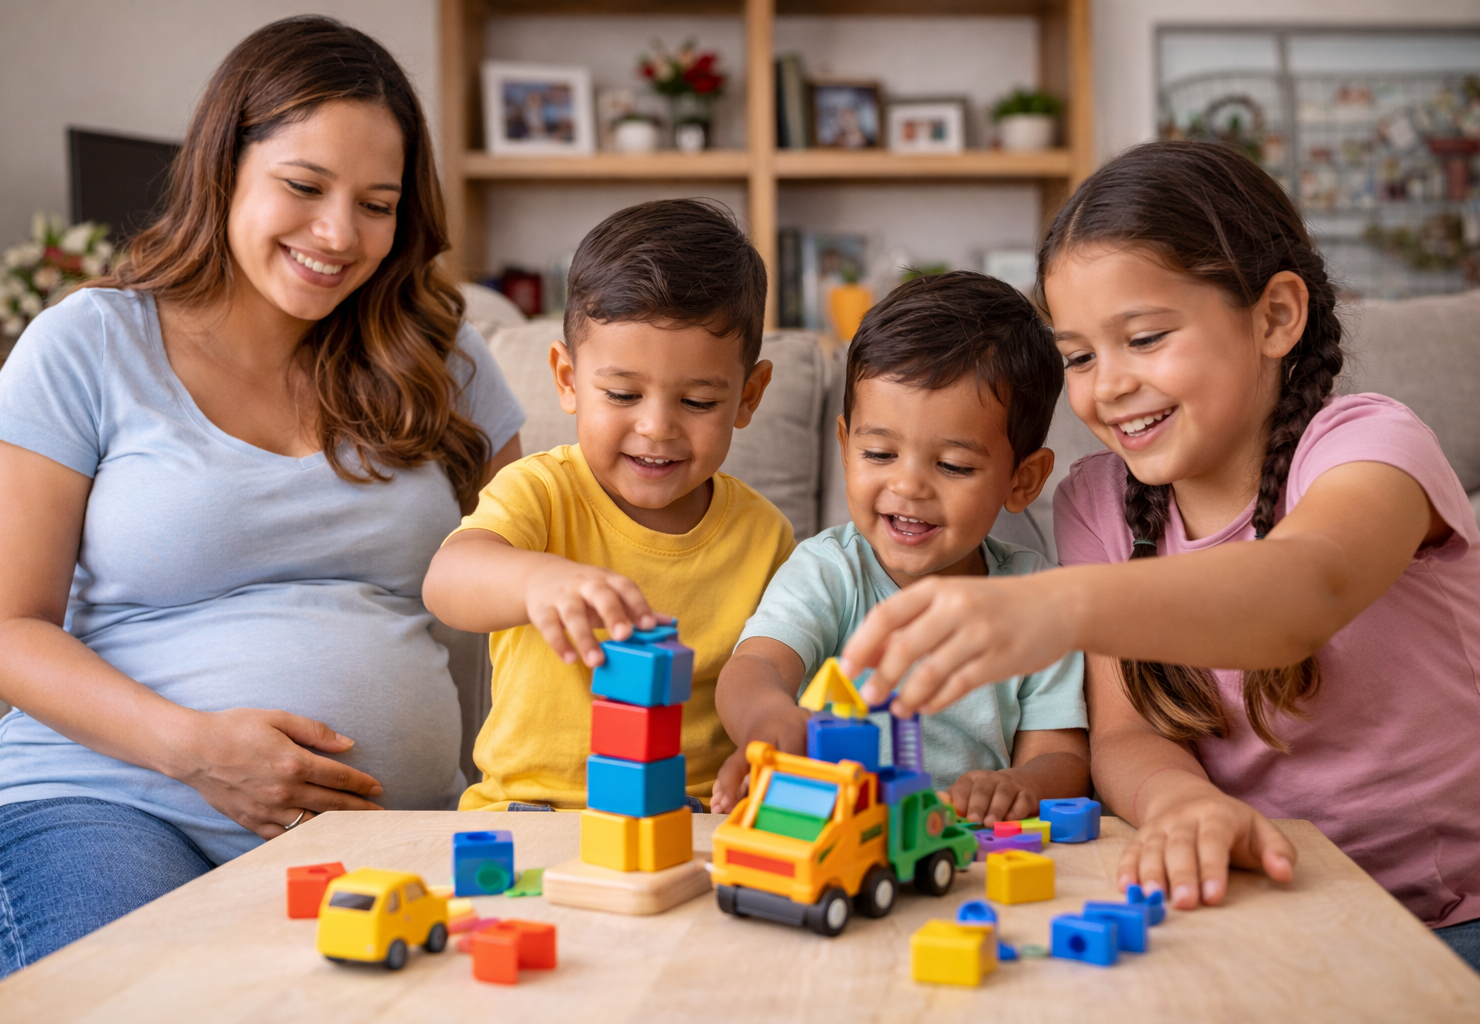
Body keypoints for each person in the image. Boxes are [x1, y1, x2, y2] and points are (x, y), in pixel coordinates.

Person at [0, 17, 524, 999]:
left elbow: (548, 553)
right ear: (224, 166)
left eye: (376, 204)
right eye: (304, 187)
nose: (339, 235)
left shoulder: (442, 360)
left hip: (387, 841)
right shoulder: (87, 343)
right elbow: (2, 631)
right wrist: (199, 750)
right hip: (98, 805)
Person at [839, 141, 1480, 971]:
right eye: (1079, 356)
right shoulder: (1098, 500)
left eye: (1144, 338)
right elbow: (1128, 733)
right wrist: (1183, 805)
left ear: (1276, 317)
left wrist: (1057, 604)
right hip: (1259, 901)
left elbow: (1304, 589)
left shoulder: (1369, 446)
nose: (1106, 387)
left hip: (1446, 915)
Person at [425, 199, 794, 812]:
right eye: (622, 394)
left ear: (749, 397)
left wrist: (759, 747)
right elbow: (447, 582)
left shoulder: (766, 536)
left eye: (698, 402)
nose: (656, 428)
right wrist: (538, 578)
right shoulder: (540, 492)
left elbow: (779, 679)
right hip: (531, 814)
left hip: (692, 817)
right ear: (568, 380)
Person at [710, 272, 1089, 819]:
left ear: (1023, 481)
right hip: (835, 825)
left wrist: (1018, 784)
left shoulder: (1036, 597)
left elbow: (1061, 755)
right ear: (845, 447)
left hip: (964, 847)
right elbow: (755, 667)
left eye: (954, 465)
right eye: (880, 455)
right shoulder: (829, 569)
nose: (908, 487)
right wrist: (767, 716)